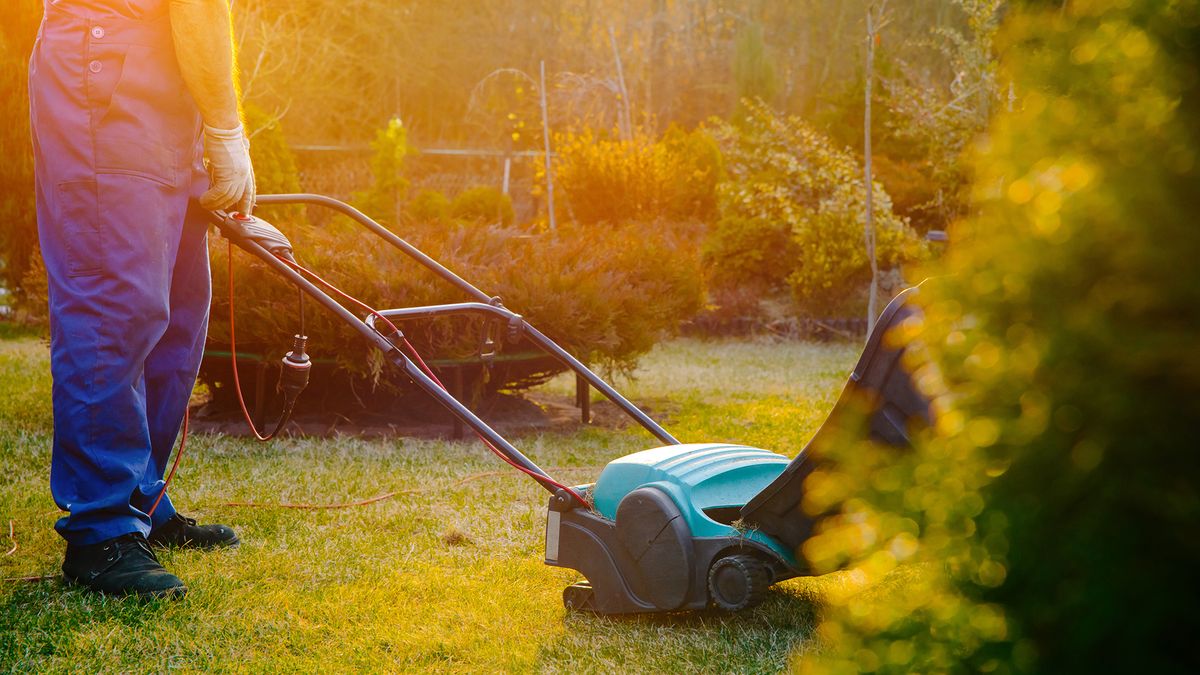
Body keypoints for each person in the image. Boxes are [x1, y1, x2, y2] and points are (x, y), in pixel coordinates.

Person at [28, 0, 255, 598]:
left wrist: (210, 123)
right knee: (115, 302)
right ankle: (100, 527)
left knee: (178, 309)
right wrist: (228, 130)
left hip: (163, 84)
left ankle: (140, 495)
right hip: (105, 71)